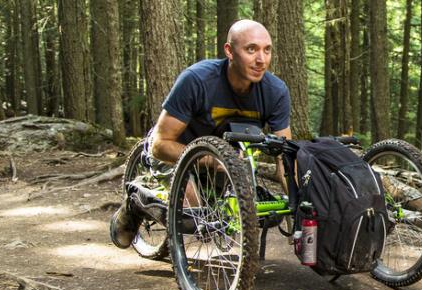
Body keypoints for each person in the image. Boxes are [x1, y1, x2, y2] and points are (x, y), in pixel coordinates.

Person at [110, 19, 292, 249]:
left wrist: (300, 205)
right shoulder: (197, 80)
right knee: (193, 211)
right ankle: (136, 200)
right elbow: (160, 144)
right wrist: (210, 159)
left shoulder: (275, 91)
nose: (261, 60)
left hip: (227, 164)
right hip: (175, 154)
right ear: (229, 51)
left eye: (267, 50)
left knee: (259, 212)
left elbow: (285, 160)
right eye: (251, 49)